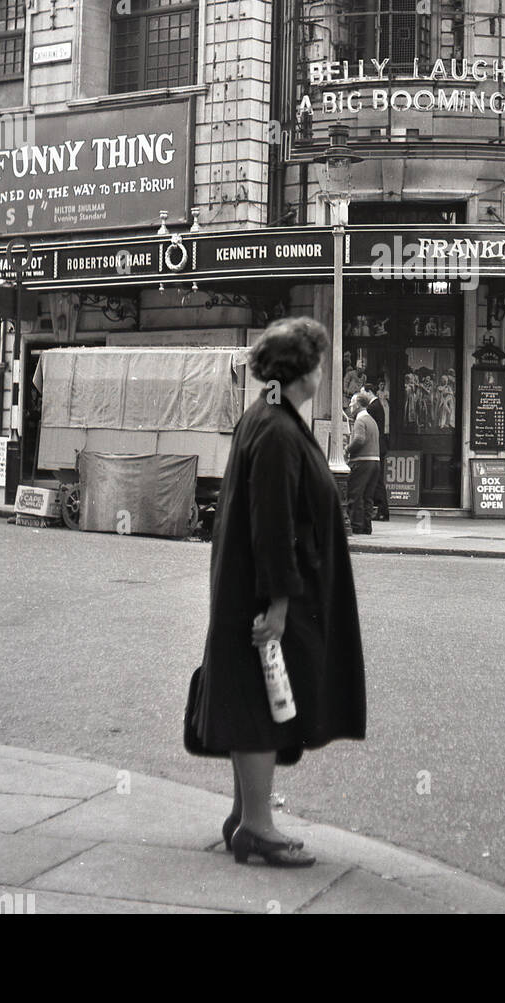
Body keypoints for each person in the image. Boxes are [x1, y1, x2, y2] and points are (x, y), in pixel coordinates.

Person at [186, 316, 365, 869]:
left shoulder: (264, 417)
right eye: (320, 360)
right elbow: (272, 522)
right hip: (265, 598)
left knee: (254, 697)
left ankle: (245, 816)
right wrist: (280, 604)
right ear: (304, 369)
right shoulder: (279, 430)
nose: (324, 370)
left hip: (249, 589)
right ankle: (258, 829)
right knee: (261, 703)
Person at [345, 389, 381, 536]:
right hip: (375, 462)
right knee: (368, 496)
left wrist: (348, 448)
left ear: (359, 405)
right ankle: (367, 527)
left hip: (362, 461)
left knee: (356, 494)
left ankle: (356, 526)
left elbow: (359, 439)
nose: (350, 406)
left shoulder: (360, 420)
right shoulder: (372, 420)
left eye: (352, 403)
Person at [365, 383, 390, 521]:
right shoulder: (378, 405)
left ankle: (382, 510)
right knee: (377, 478)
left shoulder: (372, 407)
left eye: (363, 391)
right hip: (380, 445)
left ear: (369, 392)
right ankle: (381, 510)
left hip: (376, 446)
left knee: (377, 479)